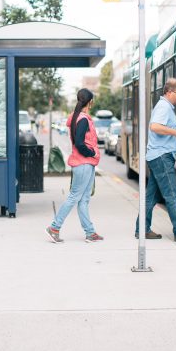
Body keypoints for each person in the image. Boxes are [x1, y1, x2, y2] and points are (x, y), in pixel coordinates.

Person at [135, 78, 176, 242]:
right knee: (172, 194)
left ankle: (141, 229)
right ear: (169, 92)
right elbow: (155, 127)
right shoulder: (164, 106)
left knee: (151, 197)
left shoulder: (166, 106)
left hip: (160, 155)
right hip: (161, 157)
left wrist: (173, 147)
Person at [46, 88, 103, 243]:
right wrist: (91, 152)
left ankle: (90, 233)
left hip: (84, 164)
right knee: (74, 198)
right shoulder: (83, 119)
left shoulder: (78, 117)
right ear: (90, 102)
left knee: (84, 199)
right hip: (83, 163)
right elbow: (79, 143)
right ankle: (54, 227)